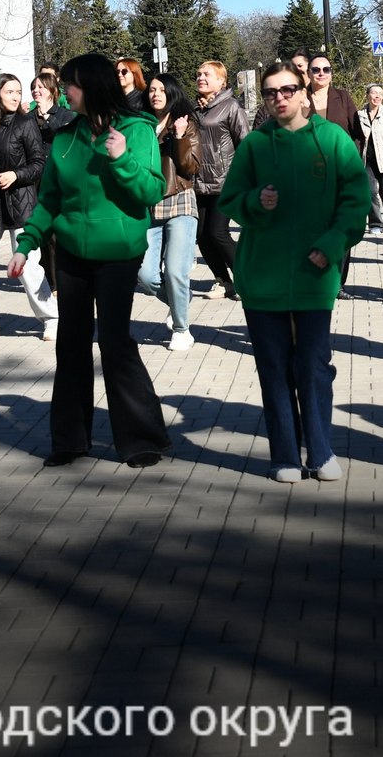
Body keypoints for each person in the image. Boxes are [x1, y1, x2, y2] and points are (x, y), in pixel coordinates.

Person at [15, 53, 172, 467]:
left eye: (70, 84)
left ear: (93, 87)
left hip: (118, 254)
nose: (64, 91)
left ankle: (141, 438)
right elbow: (49, 198)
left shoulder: (136, 130)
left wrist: (122, 158)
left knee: (116, 342)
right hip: (70, 253)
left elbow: (150, 192)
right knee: (71, 343)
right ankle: (69, 440)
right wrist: (26, 243)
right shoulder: (66, 137)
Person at [216, 61, 368, 481]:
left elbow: (356, 202)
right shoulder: (254, 145)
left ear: (304, 93)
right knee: (274, 366)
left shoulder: (334, 140)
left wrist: (334, 244)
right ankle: (284, 454)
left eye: (287, 90)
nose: (279, 98)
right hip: (262, 275)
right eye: (270, 92)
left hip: (314, 274)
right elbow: (230, 199)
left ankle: (320, 451)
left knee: (314, 365)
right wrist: (254, 203)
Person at [0, 73, 51, 340]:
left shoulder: (26, 124)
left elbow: (39, 163)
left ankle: (51, 317)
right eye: (9, 92)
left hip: (21, 198)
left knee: (27, 264)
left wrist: (16, 175)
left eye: (18, 91)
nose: (16, 97)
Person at [137, 77, 202, 351]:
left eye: (162, 90)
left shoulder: (184, 123)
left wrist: (178, 136)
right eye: (151, 89)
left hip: (180, 200)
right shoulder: (140, 125)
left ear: (172, 93)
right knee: (144, 274)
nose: (156, 94)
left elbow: (191, 168)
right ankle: (180, 300)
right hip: (149, 204)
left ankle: (181, 329)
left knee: (175, 271)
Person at [190, 60, 249, 300]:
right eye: (198, 74)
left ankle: (246, 278)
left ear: (221, 81)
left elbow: (245, 142)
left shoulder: (231, 106)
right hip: (200, 182)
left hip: (226, 181)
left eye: (206, 74)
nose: (201, 77)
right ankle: (224, 282)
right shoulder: (197, 108)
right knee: (202, 236)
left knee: (218, 233)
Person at [357, 80, 383, 233]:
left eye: (380, 94)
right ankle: (375, 223)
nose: (377, 96)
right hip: (367, 161)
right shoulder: (359, 115)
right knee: (370, 192)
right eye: (374, 93)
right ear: (367, 95)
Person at [307, 55, 357, 130]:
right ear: (308, 73)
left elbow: (358, 134)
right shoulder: (300, 99)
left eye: (326, 69)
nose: (321, 73)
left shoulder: (343, 97)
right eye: (316, 70)